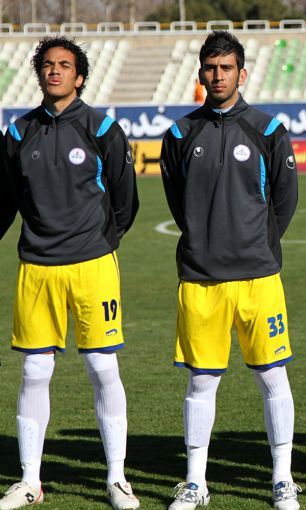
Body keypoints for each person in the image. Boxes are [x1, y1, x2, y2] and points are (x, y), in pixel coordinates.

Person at [160, 31, 300, 510]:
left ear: (243, 73)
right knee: (201, 381)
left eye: (226, 68)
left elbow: (284, 202)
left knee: (272, 377)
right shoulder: (181, 134)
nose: (217, 76)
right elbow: (178, 202)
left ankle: (282, 478)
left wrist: (254, 244)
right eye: (210, 68)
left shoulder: (268, 130)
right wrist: (205, 240)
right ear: (200, 73)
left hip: (259, 279)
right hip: (201, 279)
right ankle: (195, 482)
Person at [0, 37, 140, 510]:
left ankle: (117, 479)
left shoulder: (102, 128)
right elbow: (7, 199)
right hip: (37, 267)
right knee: (34, 371)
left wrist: (97, 242)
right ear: (38, 73)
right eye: (47, 64)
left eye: (64, 65)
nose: (54, 71)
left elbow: (125, 201)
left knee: (102, 366)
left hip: (92, 265)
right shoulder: (18, 132)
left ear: (80, 77)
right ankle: (30, 482)